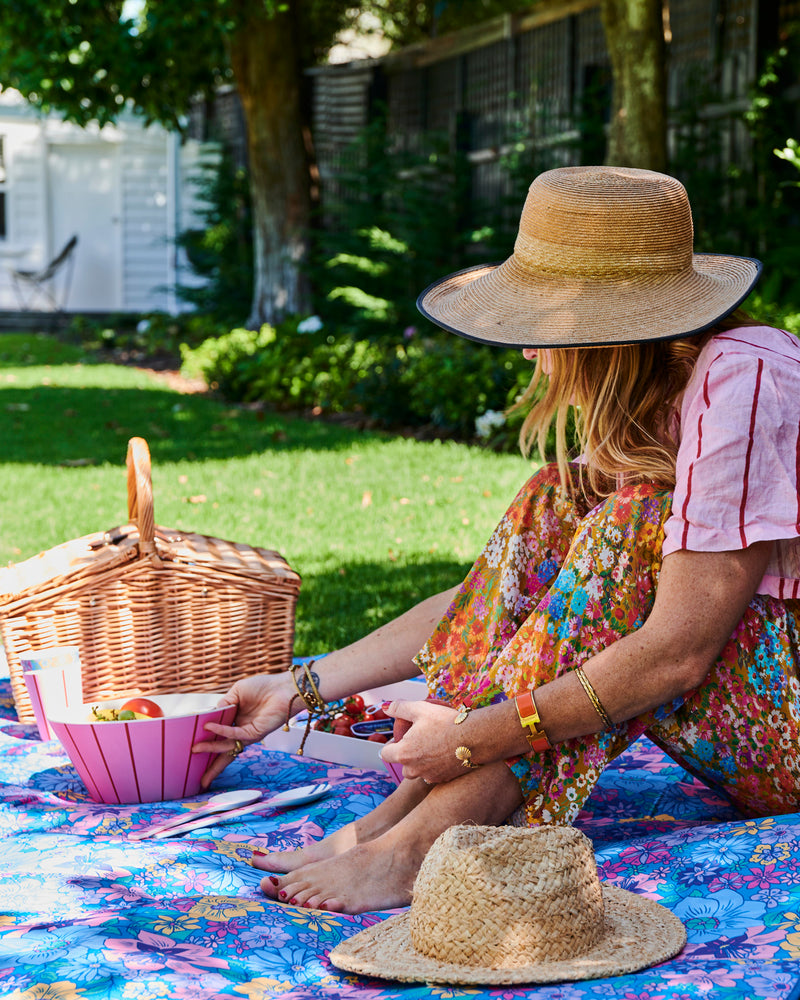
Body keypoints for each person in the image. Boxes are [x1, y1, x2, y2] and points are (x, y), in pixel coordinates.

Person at [193, 165, 800, 915]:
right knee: (556, 498)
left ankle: (420, 844)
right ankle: (397, 824)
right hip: (747, 722)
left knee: (630, 518)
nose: (525, 351)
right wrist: (300, 686)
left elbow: (677, 654)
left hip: (790, 738)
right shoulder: (659, 398)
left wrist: (471, 738)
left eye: (537, 323)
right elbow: (500, 590)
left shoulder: (749, 376)